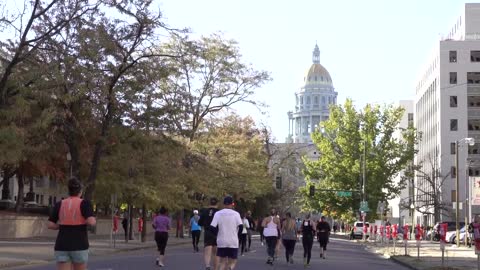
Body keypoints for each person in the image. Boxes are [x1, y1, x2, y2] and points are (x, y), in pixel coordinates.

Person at [47, 177, 96, 270]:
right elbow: (91, 222)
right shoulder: (84, 203)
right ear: (80, 191)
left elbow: (50, 224)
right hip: (79, 244)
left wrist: (61, 225)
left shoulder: (60, 204)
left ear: (69, 191)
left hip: (62, 245)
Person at [210, 196, 243, 270]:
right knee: (233, 261)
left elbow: (212, 227)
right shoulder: (236, 214)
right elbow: (240, 227)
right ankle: (230, 268)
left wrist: (217, 234)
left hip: (222, 240)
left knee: (223, 261)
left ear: (224, 204)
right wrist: (237, 236)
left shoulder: (218, 214)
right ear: (232, 204)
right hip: (233, 241)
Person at [198, 197, 219, 270]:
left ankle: (207, 266)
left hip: (207, 232)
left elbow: (199, 223)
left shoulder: (204, 211)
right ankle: (215, 268)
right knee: (215, 252)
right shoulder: (219, 212)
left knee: (207, 250)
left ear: (209, 203)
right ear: (217, 203)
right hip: (217, 233)